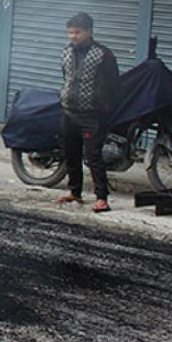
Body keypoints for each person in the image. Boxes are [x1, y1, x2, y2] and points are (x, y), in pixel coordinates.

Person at [55, 12, 120, 213]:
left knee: (93, 156)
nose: (73, 36)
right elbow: (66, 77)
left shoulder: (103, 54)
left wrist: (104, 106)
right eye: (70, 32)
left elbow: (114, 84)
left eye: (77, 32)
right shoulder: (66, 52)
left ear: (89, 32)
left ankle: (102, 198)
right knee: (71, 154)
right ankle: (75, 192)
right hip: (69, 111)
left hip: (92, 114)